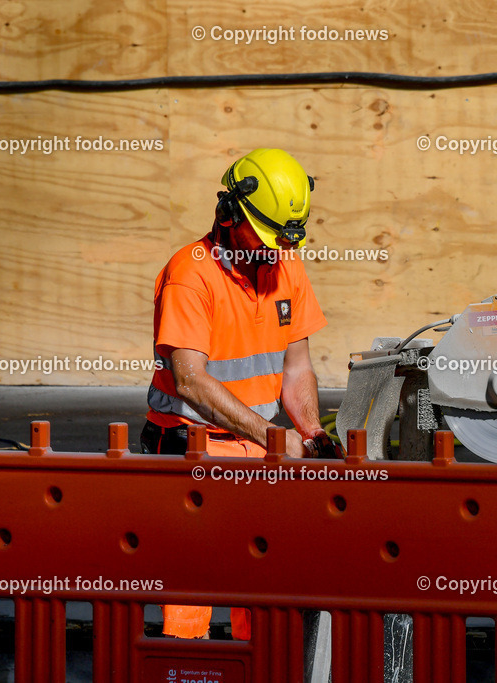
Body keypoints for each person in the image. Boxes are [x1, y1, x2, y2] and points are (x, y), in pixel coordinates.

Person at [140, 148, 342, 640]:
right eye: (268, 237)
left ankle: (258, 662)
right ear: (229, 214)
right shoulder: (190, 275)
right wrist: (274, 437)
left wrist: (310, 432)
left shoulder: (285, 264)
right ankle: (186, 665)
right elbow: (190, 380)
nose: (277, 250)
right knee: (192, 595)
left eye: (285, 240)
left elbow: (297, 367)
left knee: (261, 589)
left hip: (259, 448)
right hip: (191, 447)